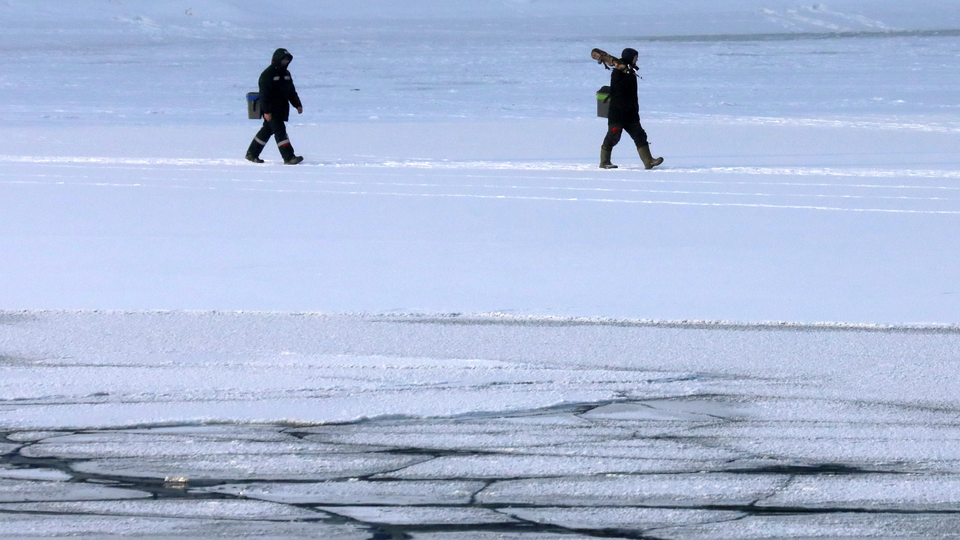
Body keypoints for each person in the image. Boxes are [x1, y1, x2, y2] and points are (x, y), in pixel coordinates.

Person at [599, 47, 663, 170]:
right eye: (635, 57)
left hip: (631, 113)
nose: (637, 60)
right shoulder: (618, 72)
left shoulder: (630, 71)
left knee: (640, 135)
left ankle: (648, 161)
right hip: (618, 113)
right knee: (613, 136)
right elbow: (619, 90)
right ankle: (604, 161)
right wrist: (627, 73)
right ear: (630, 57)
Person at [245, 48, 304, 165]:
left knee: (266, 131)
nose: (285, 63)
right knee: (280, 131)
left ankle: (252, 153)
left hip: (282, 108)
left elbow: (291, 91)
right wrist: (266, 111)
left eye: (287, 61)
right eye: (283, 60)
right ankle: (288, 157)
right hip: (271, 109)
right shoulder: (267, 75)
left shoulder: (286, 74)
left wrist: (297, 104)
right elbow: (264, 95)